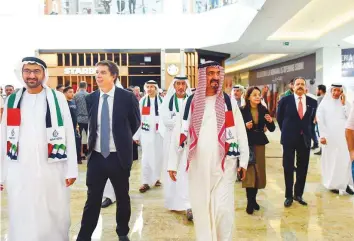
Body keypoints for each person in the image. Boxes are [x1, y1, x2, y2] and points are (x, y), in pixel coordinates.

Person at [0, 57, 78, 241]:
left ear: (44, 74)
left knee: (54, 209)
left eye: (36, 71)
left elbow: (68, 134)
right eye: (27, 71)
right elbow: (4, 137)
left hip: (53, 166)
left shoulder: (57, 98)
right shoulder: (12, 100)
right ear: (22, 73)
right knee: (22, 209)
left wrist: (72, 169)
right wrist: (1, 174)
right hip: (19, 168)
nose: (32, 75)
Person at [178, 61, 249, 240]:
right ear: (202, 76)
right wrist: (173, 163)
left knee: (223, 209)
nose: (215, 77)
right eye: (210, 73)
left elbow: (240, 132)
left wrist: (244, 160)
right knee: (202, 207)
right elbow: (180, 134)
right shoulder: (191, 102)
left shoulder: (228, 101)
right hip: (199, 165)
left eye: (218, 73)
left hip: (226, 163)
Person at [76, 60, 140, 241]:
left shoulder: (127, 97)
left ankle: (122, 232)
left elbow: (135, 123)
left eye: (103, 72)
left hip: (118, 157)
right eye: (97, 72)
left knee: (122, 197)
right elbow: (91, 125)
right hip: (96, 157)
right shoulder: (91, 98)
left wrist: (122, 140)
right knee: (92, 199)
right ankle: (84, 235)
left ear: (113, 76)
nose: (98, 76)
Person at [277, 77, 317, 207]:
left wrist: (308, 132)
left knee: (303, 168)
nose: (300, 86)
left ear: (306, 87)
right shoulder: (285, 100)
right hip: (289, 138)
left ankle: (298, 194)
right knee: (288, 167)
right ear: (292, 86)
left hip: (304, 139)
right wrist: (287, 131)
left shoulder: (312, 102)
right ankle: (288, 195)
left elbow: (311, 121)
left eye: (302, 84)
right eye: (297, 84)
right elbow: (279, 118)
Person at [159, 76, 193, 221]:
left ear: (186, 86)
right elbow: (165, 119)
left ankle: (188, 204)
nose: (180, 86)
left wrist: (181, 123)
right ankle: (174, 201)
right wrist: (180, 122)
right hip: (170, 140)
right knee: (172, 168)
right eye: (178, 83)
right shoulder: (169, 100)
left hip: (188, 141)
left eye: (182, 84)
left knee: (186, 171)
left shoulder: (191, 100)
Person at [240, 86, 276, 214]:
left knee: (258, 173)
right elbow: (236, 129)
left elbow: (272, 128)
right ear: (248, 96)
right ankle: (250, 202)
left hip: (260, 144)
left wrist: (271, 121)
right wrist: (245, 126)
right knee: (249, 173)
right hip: (247, 144)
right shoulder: (242, 110)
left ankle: (254, 199)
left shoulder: (263, 109)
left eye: (259, 94)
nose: (257, 97)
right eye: (254, 94)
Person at [317, 84, 354, 195]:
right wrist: (322, 136)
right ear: (331, 91)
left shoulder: (346, 104)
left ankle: (345, 184)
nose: (336, 93)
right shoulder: (324, 104)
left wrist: (344, 104)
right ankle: (332, 184)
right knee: (332, 161)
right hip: (330, 138)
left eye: (339, 90)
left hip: (344, 139)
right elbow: (320, 120)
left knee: (345, 161)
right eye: (334, 90)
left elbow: (350, 118)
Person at [133, 80, 164, 193]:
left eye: (152, 87)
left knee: (158, 157)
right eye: (148, 87)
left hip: (159, 134)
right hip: (146, 134)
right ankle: (145, 182)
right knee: (146, 158)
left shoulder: (162, 101)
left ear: (156, 88)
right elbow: (139, 119)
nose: (150, 89)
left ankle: (156, 178)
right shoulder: (143, 101)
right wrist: (137, 135)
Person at [64, 86, 82, 164]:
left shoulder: (73, 102)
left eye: (73, 92)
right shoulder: (63, 103)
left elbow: (75, 115)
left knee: (77, 143)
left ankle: (78, 159)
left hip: (74, 128)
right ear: (64, 93)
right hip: (66, 129)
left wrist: (77, 126)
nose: (72, 94)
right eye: (70, 92)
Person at [74, 81, 89, 160]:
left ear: (78, 86)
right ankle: (89, 153)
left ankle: (80, 154)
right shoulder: (89, 95)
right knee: (89, 136)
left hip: (78, 119)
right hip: (88, 119)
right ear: (86, 86)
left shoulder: (75, 95)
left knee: (79, 137)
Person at [314, 84, 326, 155]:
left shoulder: (319, 98)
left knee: (320, 134)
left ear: (320, 90)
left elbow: (317, 109)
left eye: (317, 89)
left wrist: (315, 118)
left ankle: (322, 150)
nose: (316, 91)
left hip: (320, 119)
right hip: (326, 120)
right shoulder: (328, 98)